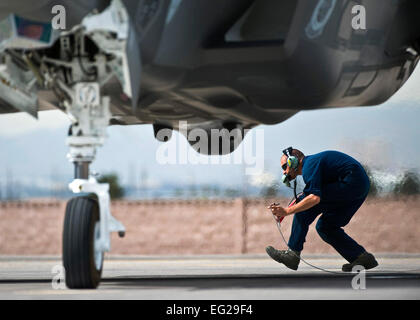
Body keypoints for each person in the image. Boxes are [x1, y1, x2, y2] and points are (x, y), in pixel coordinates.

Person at [266, 147, 378, 272]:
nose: (284, 172)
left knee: (304, 209)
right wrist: (290, 208)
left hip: (350, 182)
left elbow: (314, 198)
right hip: (359, 186)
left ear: (293, 160)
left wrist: (286, 211)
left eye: (284, 167)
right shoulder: (312, 165)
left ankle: (292, 254)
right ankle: (361, 257)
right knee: (326, 227)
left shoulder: (309, 165)